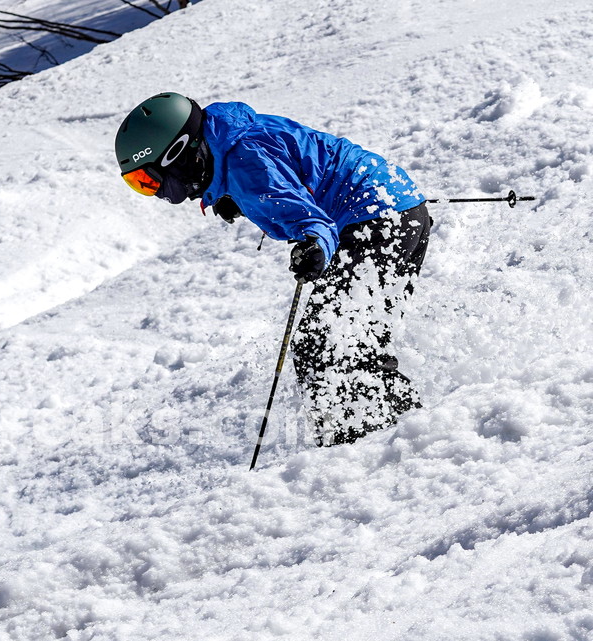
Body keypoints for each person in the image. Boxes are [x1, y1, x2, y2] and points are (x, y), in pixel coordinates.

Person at [115, 93, 432, 446]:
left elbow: (313, 221)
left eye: (149, 180)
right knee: (353, 340)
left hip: (375, 222)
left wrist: (312, 244)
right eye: (139, 185)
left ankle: (361, 444)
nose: (157, 193)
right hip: (395, 210)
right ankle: (402, 429)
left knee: (325, 342)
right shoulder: (230, 141)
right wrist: (230, 195)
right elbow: (289, 166)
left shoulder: (245, 163)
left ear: (180, 154)